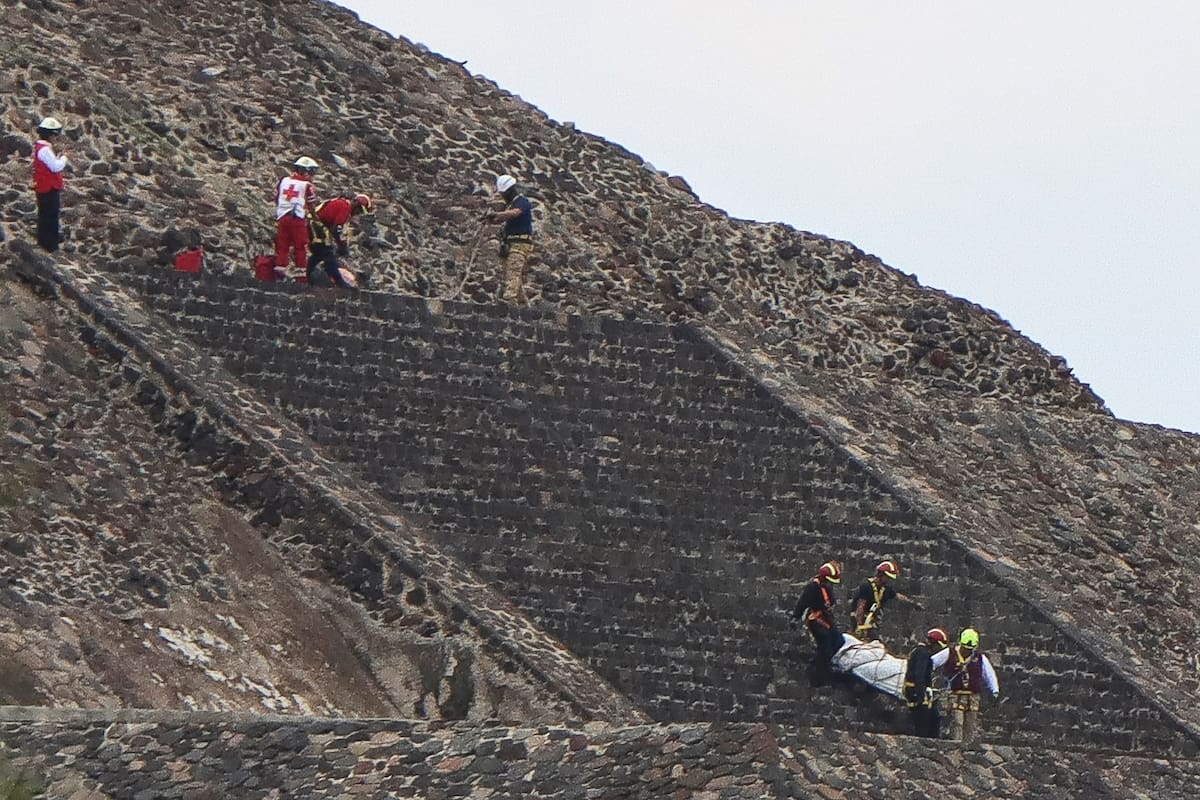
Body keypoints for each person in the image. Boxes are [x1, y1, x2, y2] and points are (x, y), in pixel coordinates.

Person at [930, 627, 999, 743]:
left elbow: (989, 674)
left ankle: (968, 747)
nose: (967, 651)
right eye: (966, 648)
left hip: (973, 697)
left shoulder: (979, 658)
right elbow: (932, 662)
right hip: (956, 695)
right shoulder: (949, 653)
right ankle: (956, 745)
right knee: (957, 721)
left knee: (970, 724)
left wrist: (995, 690)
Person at [790, 561, 845, 686]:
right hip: (815, 619)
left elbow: (831, 601)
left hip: (826, 618)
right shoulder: (813, 588)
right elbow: (802, 603)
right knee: (825, 643)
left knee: (838, 641)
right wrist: (795, 617)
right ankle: (818, 675)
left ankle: (820, 662)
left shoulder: (827, 587)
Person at [487, 174, 534, 305]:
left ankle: (510, 301)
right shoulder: (510, 205)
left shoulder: (522, 202)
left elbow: (515, 213)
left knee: (513, 271)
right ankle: (523, 304)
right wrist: (492, 218)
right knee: (513, 273)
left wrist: (497, 214)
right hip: (510, 242)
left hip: (520, 243)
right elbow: (503, 217)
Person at [308, 193, 372, 287]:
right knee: (329, 254)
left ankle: (308, 277)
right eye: (359, 210)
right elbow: (336, 230)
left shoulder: (341, 203)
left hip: (315, 225)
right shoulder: (345, 208)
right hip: (316, 226)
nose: (358, 213)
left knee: (318, 254)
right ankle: (340, 282)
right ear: (355, 203)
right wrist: (342, 246)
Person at [850, 559, 922, 642]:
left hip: (871, 622)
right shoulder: (866, 587)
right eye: (887, 577)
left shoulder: (884, 589)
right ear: (880, 575)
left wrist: (913, 603)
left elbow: (898, 596)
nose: (888, 580)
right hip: (860, 621)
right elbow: (860, 607)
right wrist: (859, 626)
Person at [274, 156, 319, 278]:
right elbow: (310, 204)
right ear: (306, 171)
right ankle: (301, 274)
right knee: (301, 246)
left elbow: (277, 197)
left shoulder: (284, 181)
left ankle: (280, 270)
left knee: (282, 245)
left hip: (282, 217)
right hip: (297, 219)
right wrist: (315, 218)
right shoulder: (306, 185)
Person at [32, 116, 69, 252]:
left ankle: (44, 242)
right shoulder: (45, 149)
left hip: (44, 187)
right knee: (50, 217)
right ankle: (50, 245)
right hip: (49, 188)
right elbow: (56, 167)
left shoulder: (41, 148)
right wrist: (64, 158)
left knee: (45, 215)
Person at [903, 627, 948, 738]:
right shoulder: (922, 653)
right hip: (916, 692)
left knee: (932, 718)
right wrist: (921, 694)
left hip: (916, 690)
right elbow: (920, 674)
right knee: (924, 721)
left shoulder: (918, 651)